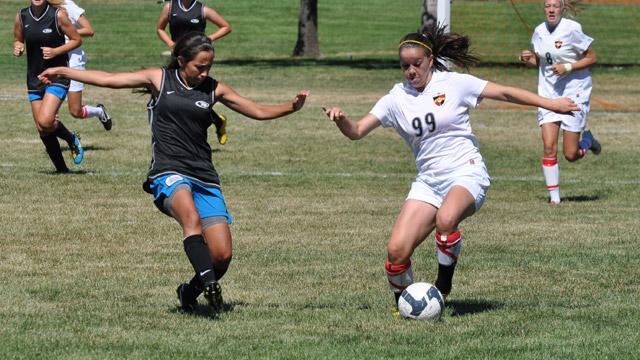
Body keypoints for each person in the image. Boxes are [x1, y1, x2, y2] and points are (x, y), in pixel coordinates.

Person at [39, 32, 309, 313]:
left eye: (209, 67)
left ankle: (189, 292)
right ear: (181, 61)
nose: (205, 73)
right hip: (168, 171)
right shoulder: (159, 79)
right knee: (190, 217)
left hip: (204, 175)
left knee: (221, 255)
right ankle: (210, 286)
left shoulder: (215, 89)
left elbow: (256, 110)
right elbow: (109, 78)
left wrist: (291, 107)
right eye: (199, 67)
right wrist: (62, 70)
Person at [323, 24, 578, 313]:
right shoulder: (395, 99)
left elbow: (505, 92)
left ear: (430, 60)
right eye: (405, 66)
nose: (411, 71)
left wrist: (552, 104)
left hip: (466, 173)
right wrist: (341, 119)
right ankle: (407, 307)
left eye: (416, 64)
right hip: (429, 182)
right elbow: (356, 131)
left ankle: (443, 286)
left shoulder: (454, 83)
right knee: (396, 253)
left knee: (446, 219)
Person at [519, 0, 600, 204]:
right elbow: (542, 61)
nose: (551, 9)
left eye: (555, 5)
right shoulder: (539, 31)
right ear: (544, 8)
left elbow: (592, 58)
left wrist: (568, 67)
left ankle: (587, 140)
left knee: (571, 154)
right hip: (548, 93)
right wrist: (527, 58)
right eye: (548, 6)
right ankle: (555, 200)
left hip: (575, 91)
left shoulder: (572, 29)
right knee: (548, 146)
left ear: (563, 8)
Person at [14, 0, 83, 173]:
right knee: (42, 128)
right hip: (34, 77)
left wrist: (56, 51)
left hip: (57, 75)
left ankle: (71, 138)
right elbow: (18, 39)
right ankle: (62, 170)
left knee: (45, 120)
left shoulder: (58, 15)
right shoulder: (21, 16)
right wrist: (18, 46)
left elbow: (77, 39)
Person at [156, 0, 232, 145]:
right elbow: (160, 28)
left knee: (194, 96)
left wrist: (207, 40)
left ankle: (214, 122)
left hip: (195, 63)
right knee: (171, 93)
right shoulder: (170, 7)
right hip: (178, 59)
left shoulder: (203, 10)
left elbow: (226, 27)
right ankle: (215, 120)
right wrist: (171, 44)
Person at [47, 0, 112, 131]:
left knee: (75, 111)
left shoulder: (68, 5)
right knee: (48, 110)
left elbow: (89, 30)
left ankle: (99, 112)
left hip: (73, 62)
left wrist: (67, 31)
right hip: (53, 61)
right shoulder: (42, 8)